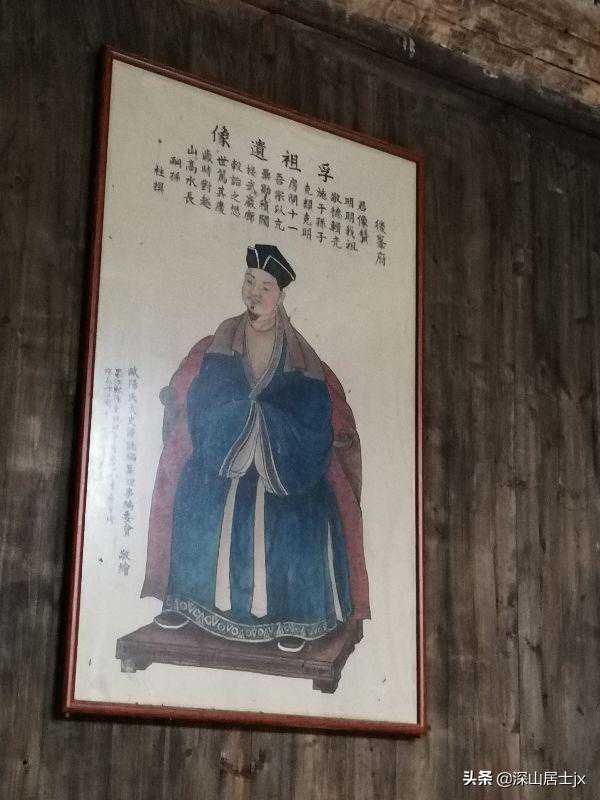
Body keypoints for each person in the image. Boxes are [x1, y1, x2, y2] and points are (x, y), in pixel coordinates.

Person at [141, 244, 370, 653]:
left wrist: (269, 428)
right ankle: (187, 604)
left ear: (280, 296)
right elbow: (204, 397)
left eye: (265, 287)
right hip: (224, 449)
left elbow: (313, 414)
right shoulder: (224, 337)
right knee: (196, 492)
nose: (254, 294)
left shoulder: (300, 353)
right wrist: (237, 422)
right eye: (250, 282)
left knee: (298, 513)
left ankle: (293, 619)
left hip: (285, 461)